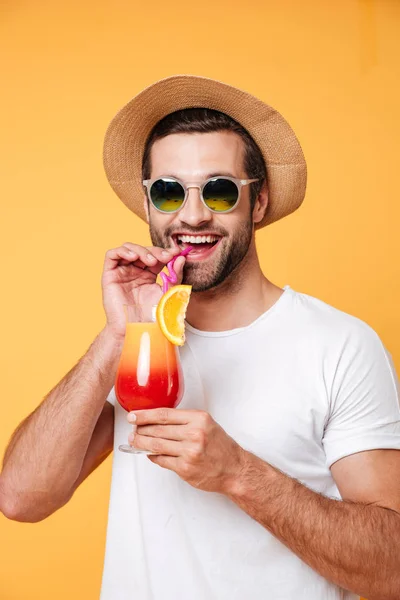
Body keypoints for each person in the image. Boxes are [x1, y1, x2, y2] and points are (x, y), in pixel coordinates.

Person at [1, 75, 400, 600]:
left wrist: (238, 472)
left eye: (219, 189)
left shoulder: (341, 345)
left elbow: (390, 571)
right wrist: (118, 333)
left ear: (257, 204)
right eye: (168, 192)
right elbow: (21, 498)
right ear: (148, 205)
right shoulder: (138, 345)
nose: (192, 215)